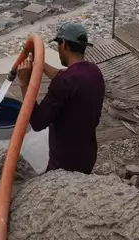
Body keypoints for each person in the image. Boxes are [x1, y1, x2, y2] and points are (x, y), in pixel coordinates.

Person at [17, 23, 105, 174]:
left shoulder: (63, 82)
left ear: (64, 45)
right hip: (87, 157)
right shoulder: (94, 71)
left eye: (58, 44)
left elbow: (37, 122)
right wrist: (40, 65)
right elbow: (67, 78)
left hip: (64, 166)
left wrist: (24, 84)